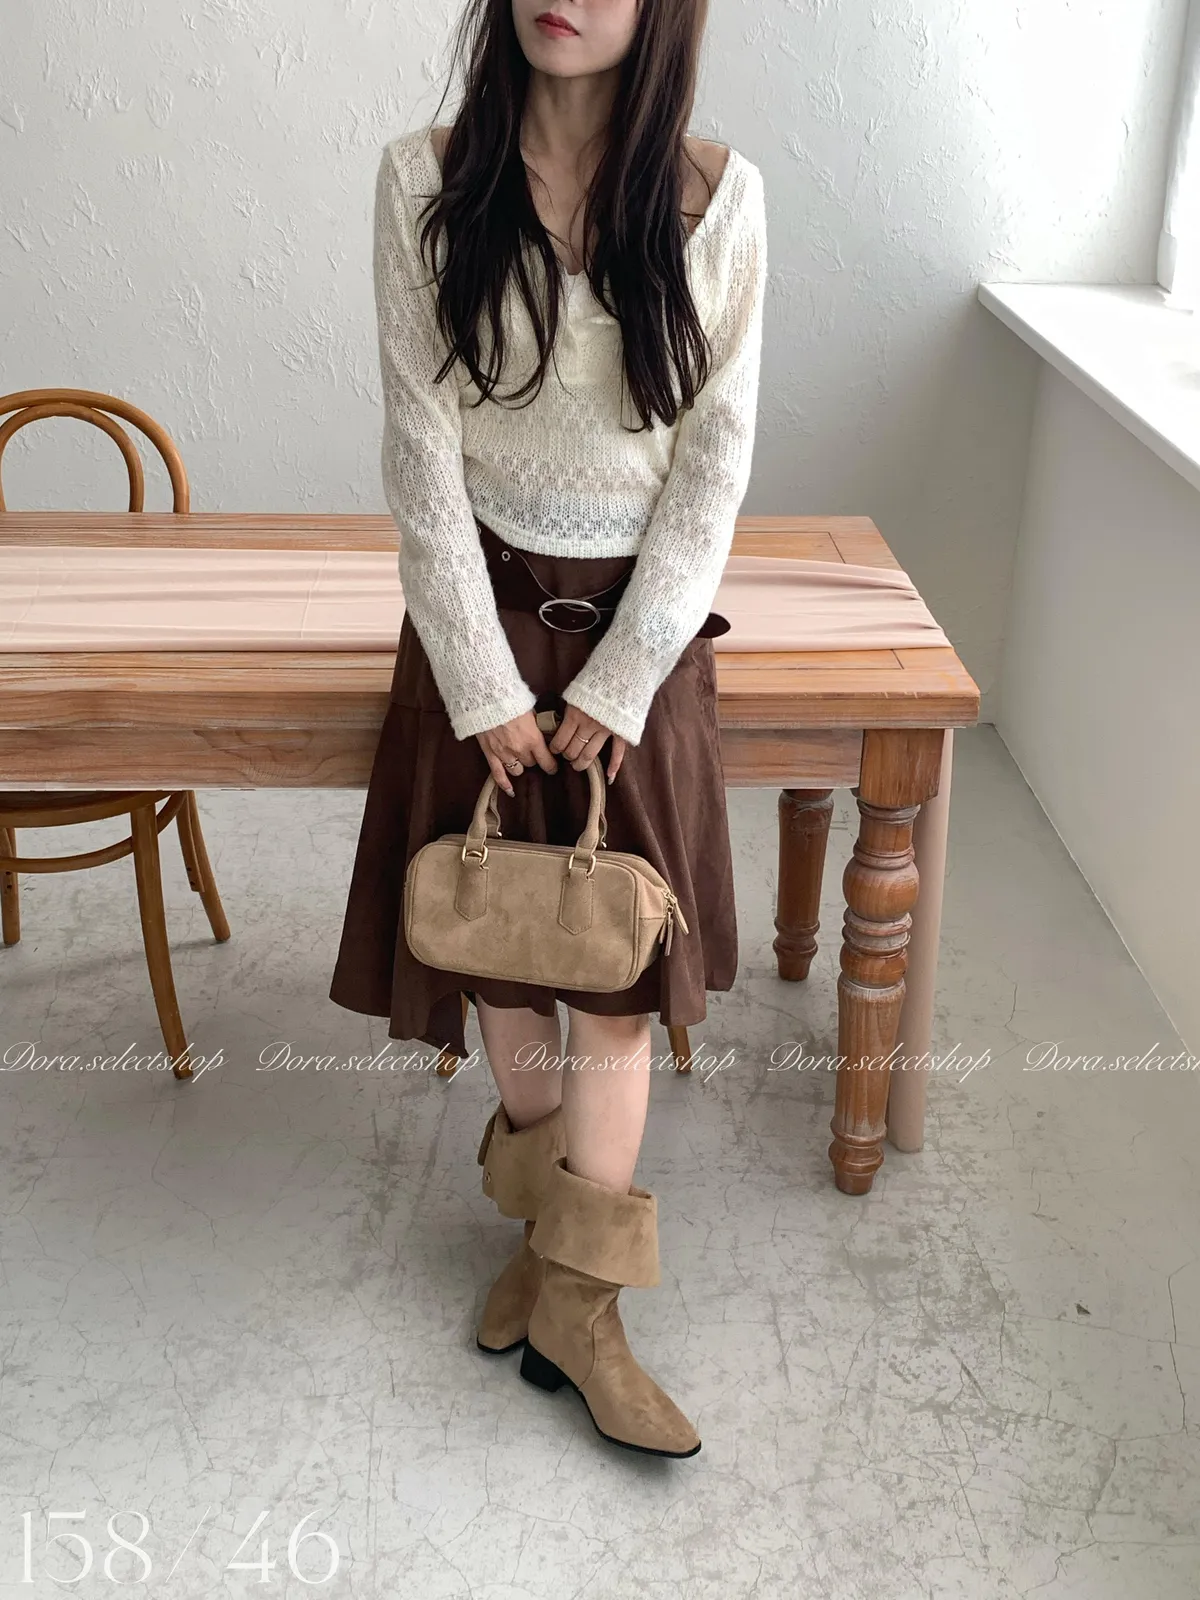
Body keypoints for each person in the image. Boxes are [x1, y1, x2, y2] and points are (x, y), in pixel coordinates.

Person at [329, 0, 767, 1458]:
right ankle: (542, 1246)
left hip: (633, 649)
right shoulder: (422, 179)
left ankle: (580, 1301)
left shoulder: (723, 201)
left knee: (613, 978)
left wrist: (623, 678)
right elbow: (419, 447)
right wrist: (480, 681)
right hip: (484, 631)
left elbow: (714, 464)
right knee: (502, 955)